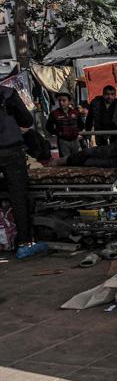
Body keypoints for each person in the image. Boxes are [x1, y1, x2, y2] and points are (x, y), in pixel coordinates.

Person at [0, 88, 48, 259]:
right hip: (10, 151)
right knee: (19, 197)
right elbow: (26, 120)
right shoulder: (7, 94)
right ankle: (24, 243)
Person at [45, 92, 84, 158]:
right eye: (59, 100)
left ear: (69, 101)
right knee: (65, 162)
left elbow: (81, 125)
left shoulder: (75, 112)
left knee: (76, 160)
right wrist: (58, 133)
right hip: (63, 142)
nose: (61, 102)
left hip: (75, 141)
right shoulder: (54, 113)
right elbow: (48, 127)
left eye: (64, 100)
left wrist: (76, 132)